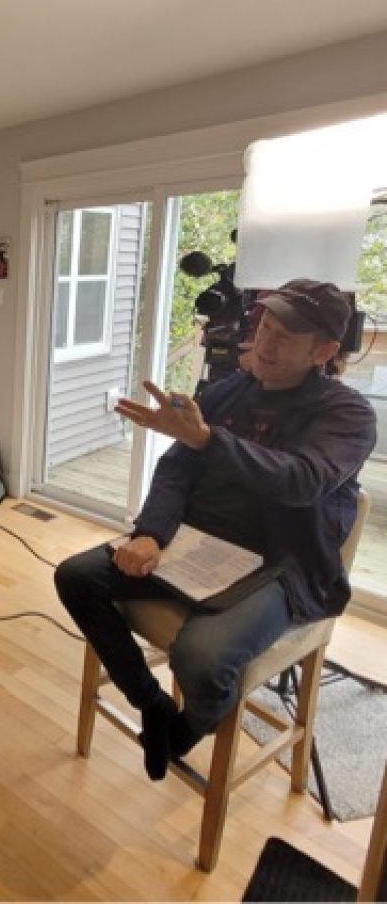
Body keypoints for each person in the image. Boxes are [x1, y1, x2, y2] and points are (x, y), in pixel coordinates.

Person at [55, 278, 376, 782]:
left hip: (280, 567)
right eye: (265, 326)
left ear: (325, 350)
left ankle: (183, 731)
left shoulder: (347, 414)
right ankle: (155, 707)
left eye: (286, 336)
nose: (266, 343)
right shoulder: (229, 390)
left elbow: (301, 481)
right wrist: (150, 534)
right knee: (77, 575)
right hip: (195, 543)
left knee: (202, 658)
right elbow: (177, 469)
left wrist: (209, 440)